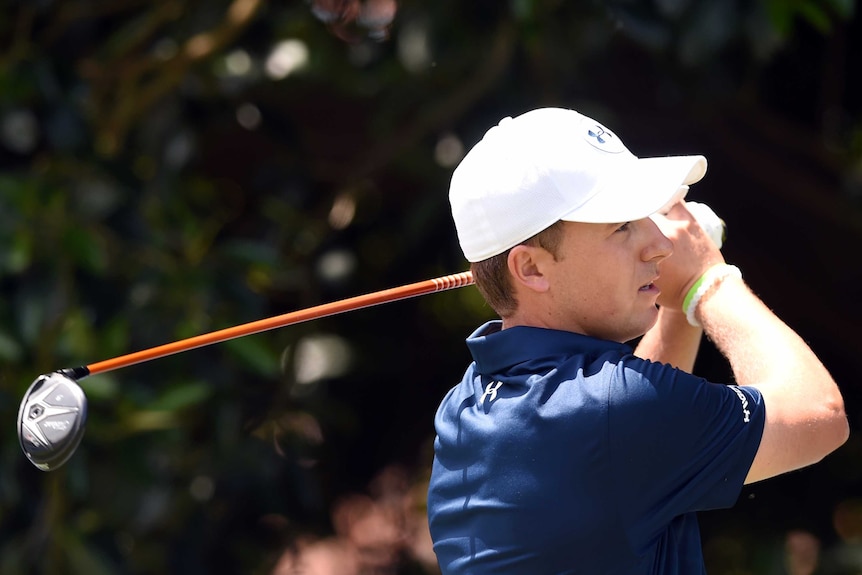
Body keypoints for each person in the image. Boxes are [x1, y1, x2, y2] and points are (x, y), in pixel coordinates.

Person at [426, 107, 849, 574]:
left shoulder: (465, 406)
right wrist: (711, 279)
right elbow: (818, 415)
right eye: (622, 226)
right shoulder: (612, 410)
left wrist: (677, 301)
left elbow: (630, 443)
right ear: (531, 268)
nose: (661, 244)